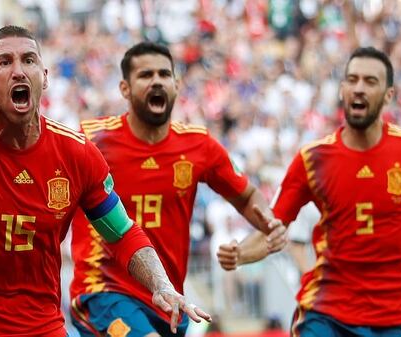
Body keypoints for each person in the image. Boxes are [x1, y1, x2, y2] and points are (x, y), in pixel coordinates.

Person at [0, 26, 209, 337]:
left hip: (42, 325)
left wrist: (161, 284)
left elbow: (122, 232)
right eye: (4, 62)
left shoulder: (76, 153)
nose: (19, 71)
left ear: (45, 77)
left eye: (29, 61)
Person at [217, 46, 401, 337]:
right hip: (326, 313)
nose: (359, 88)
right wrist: (239, 254)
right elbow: (272, 228)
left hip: (392, 316)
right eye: (352, 80)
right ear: (342, 90)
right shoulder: (313, 158)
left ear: (389, 95)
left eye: (370, 81)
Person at [69, 41, 287, 337]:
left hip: (170, 301)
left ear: (176, 84)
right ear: (125, 88)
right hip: (104, 291)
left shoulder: (198, 145)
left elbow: (250, 198)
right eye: (146, 75)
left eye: (164, 74)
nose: (157, 80)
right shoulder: (92, 140)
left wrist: (257, 239)